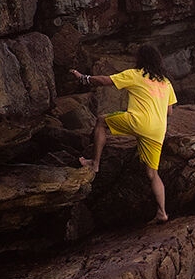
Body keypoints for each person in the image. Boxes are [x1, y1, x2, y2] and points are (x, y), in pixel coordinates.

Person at [72, 43, 177, 222]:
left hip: (139, 122)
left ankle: (95, 163)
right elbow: (169, 112)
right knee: (153, 173)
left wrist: (84, 78)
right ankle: (162, 213)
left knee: (101, 121)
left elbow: (106, 81)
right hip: (158, 130)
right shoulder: (165, 82)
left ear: (141, 59)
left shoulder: (135, 75)